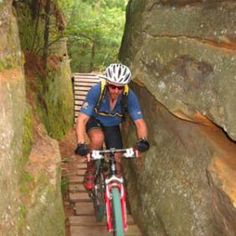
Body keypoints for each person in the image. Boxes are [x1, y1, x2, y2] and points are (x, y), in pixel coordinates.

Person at [75, 63, 150, 190]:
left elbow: (139, 122)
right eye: (113, 86)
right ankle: (91, 169)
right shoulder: (96, 91)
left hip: (112, 125)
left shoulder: (129, 96)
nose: (116, 90)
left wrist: (142, 140)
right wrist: (81, 143)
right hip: (95, 120)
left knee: (117, 159)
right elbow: (82, 119)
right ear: (107, 83)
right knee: (98, 138)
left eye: (120, 87)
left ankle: (117, 201)